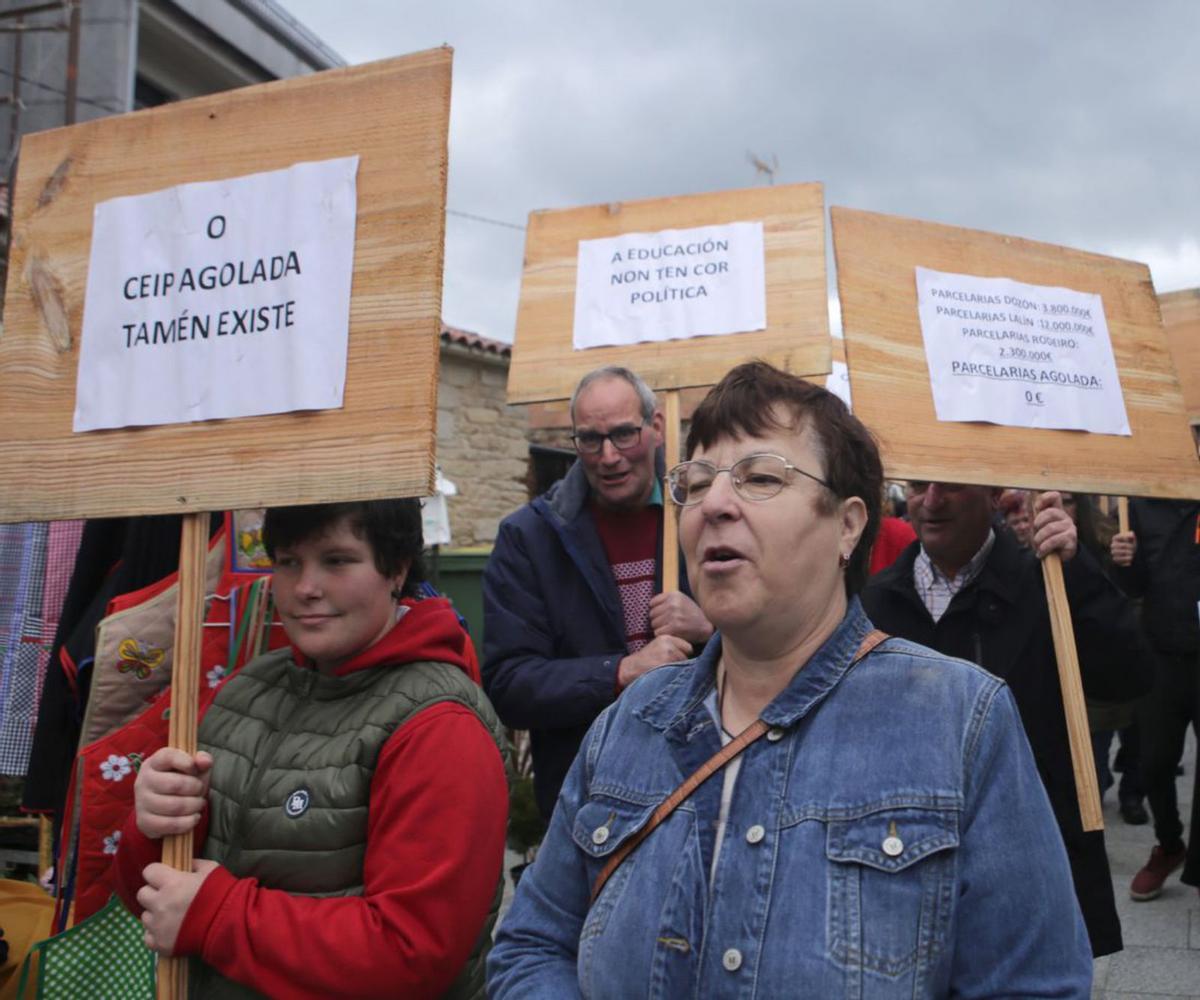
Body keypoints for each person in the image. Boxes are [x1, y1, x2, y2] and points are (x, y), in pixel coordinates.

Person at [489, 362, 1090, 998]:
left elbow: (1033, 984)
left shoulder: (961, 721)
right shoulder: (629, 722)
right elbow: (533, 944)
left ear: (849, 525)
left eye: (761, 478)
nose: (713, 504)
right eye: (695, 483)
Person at [114, 500, 510, 999]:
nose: (305, 588)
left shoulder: (440, 727)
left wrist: (217, 916)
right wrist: (154, 827)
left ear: (397, 569)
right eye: (288, 561)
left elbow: (413, 952)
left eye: (337, 560)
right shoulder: (244, 691)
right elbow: (153, 898)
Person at [862, 480, 1152, 957]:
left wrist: (1077, 570)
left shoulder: (1050, 583)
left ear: (994, 493)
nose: (931, 500)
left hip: (1027, 853)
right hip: (905, 863)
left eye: (951, 485)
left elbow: (1129, 675)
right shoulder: (873, 602)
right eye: (918, 486)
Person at [483, 365, 712, 820]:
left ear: (657, 427)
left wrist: (712, 627)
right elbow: (509, 685)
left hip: (701, 781)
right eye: (590, 439)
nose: (608, 456)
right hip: (586, 797)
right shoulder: (529, 537)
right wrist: (620, 672)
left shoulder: (706, 515)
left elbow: (776, 639)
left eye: (624, 434)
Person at [1111, 492, 1200, 900]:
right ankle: (1169, 844)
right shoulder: (1145, 504)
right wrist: (1125, 559)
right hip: (1162, 657)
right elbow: (1134, 583)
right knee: (1153, 763)